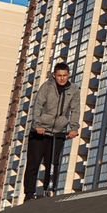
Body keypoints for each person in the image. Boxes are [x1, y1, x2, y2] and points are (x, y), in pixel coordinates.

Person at [23, 61, 80, 201]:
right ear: (54, 75)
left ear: (68, 75)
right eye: (59, 75)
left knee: (53, 163)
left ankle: (49, 190)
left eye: (65, 75)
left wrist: (73, 128)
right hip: (41, 131)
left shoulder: (73, 90)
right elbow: (38, 106)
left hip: (58, 131)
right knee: (34, 163)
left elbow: (75, 110)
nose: (62, 78)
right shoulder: (46, 87)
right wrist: (37, 125)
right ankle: (29, 194)